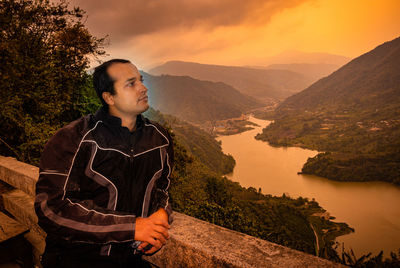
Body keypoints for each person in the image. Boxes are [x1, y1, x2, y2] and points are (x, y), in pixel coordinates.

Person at [34, 59, 174, 267]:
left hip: (131, 259)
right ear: (109, 97)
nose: (143, 88)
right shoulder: (74, 139)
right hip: (74, 260)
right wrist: (131, 227)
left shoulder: (159, 139)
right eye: (131, 84)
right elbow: (52, 208)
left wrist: (162, 212)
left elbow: (163, 188)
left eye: (141, 81)